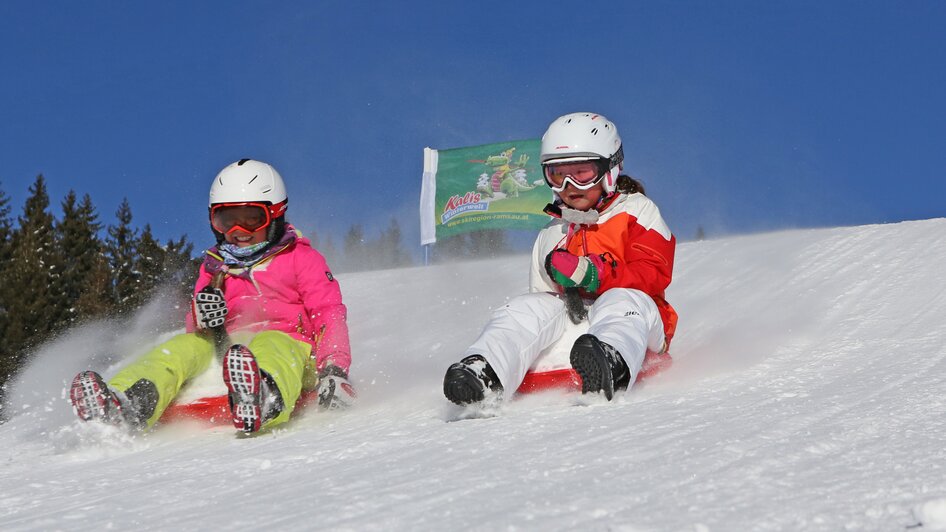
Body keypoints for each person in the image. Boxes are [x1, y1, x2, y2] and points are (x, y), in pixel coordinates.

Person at [69, 159, 354, 434]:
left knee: (273, 341)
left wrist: (334, 369)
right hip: (230, 353)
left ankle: (263, 397)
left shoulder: (301, 259)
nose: (238, 232)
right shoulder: (214, 266)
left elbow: (328, 311)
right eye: (226, 220)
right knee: (182, 347)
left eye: (251, 219)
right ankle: (126, 402)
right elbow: (196, 330)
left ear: (276, 215)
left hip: (295, 353)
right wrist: (202, 317)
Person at [443, 112, 677, 404]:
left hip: (639, 321)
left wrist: (595, 275)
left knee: (621, 300)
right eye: (557, 174)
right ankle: (484, 372)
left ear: (610, 169)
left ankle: (612, 364)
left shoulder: (637, 211)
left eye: (581, 173)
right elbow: (542, 302)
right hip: (578, 328)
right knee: (523, 308)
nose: (569, 185)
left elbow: (653, 273)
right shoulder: (552, 232)